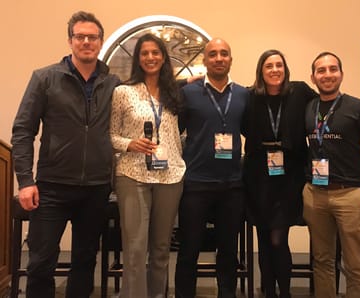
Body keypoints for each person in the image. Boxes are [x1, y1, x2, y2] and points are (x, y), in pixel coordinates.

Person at [10, 11, 120, 298]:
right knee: (40, 262)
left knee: (85, 262)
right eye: (80, 36)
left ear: (100, 41)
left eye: (92, 37)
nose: (86, 41)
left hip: (96, 188)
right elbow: (22, 130)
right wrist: (25, 181)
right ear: (70, 41)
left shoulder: (113, 83)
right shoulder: (45, 78)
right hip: (51, 188)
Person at [109, 33, 186, 297]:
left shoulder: (175, 94)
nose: (150, 57)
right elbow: (110, 135)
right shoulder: (123, 92)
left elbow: (179, 135)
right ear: (138, 59)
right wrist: (129, 144)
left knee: (162, 249)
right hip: (133, 175)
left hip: (170, 176)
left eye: (155, 52)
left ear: (164, 57)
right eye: (145, 53)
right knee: (135, 248)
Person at [303, 52, 360, 298]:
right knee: (322, 261)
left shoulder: (359, 107)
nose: (327, 75)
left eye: (333, 69)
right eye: (321, 70)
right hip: (315, 194)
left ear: (341, 73)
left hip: (349, 194)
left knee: (355, 264)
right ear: (313, 77)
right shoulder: (308, 107)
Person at [174, 38, 249, 298]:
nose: (219, 58)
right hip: (195, 184)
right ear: (204, 61)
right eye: (213, 54)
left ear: (231, 59)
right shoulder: (188, 93)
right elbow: (172, 131)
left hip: (232, 186)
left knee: (228, 251)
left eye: (224, 54)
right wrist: (182, 83)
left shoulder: (243, 94)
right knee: (189, 250)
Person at [242, 49, 317, 298]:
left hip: (289, 175)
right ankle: (269, 293)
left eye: (279, 65)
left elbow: (326, 105)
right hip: (258, 175)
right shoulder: (250, 97)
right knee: (264, 237)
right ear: (261, 72)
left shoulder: (300, 92)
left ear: (285, 69)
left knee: (278, 237)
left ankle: (284, 292)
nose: (275, 70)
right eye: (269, 66)